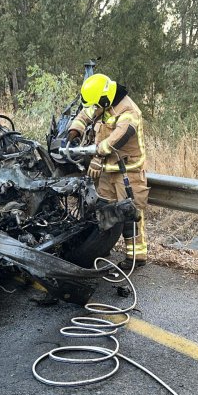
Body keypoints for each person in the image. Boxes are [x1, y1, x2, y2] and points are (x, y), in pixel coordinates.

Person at [66, 73, 149, 270]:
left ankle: (137, 256)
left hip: (128, 171)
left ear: (104, 99)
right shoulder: (101, 102)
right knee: (104, 211)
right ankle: (102, 247)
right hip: (106, 171)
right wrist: (74, 131)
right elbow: (86, 113)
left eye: (97, 104)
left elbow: (115, 140)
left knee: (129, 213)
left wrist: (97, 155)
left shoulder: (129, 111)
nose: (94, 108)